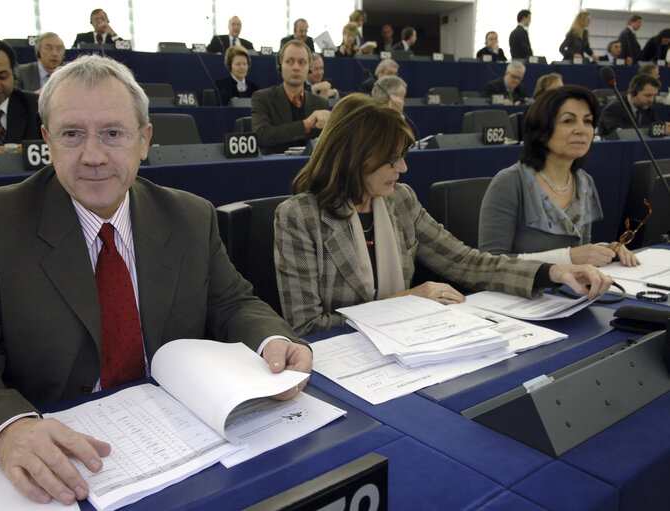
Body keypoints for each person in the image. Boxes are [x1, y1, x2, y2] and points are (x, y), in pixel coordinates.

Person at [0, 53, 312, 506]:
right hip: (61, 459)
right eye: (71, 134)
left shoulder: (189, 215)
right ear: (47, 140)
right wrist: (8, 430)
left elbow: (232, 303)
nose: (93, 156)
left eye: (112, 133)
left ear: (144, 140)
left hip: (182, 442)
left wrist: (271, 342)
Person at [274, 93, 612, 335]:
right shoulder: (299, 217)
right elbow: (307, 326)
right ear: (353, 158)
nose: (403, 168)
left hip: (406, 347)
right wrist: (407, 299)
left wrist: (553, 272)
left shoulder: (400, 201)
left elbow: (468, 262)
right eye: (392, 160)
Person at [479, 85, 638, 268]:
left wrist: (604, 250)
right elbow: (489, 264)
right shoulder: (510, 182)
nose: (581, 129)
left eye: (587, 121)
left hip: (571, 291)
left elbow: (580, 251)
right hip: (519, 294)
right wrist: (567, 258)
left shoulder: (584, 182)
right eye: (568, 121)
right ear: (542, 131)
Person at [251, 39, 329, 154]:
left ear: (310, 68)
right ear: (280, 65)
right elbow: (262, 136)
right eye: (290, 62)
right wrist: (306, 124)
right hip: (275, 168)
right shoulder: (262, 98)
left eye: (302, 62)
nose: (296, 67)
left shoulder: (320, 103)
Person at [598, 73, 670, 137]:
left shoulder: (648, 106)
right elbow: (621, 133)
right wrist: (652, 130)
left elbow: (655, 124)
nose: (651, 100)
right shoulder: (614, 108)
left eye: (654, 96)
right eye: (648, 95)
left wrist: (663, 127)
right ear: (633, 93)